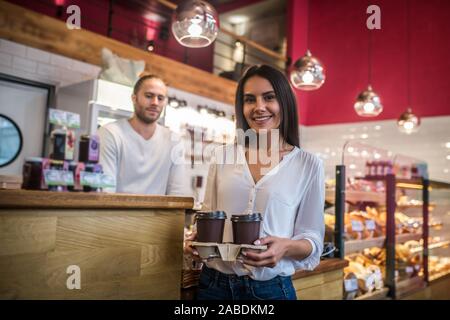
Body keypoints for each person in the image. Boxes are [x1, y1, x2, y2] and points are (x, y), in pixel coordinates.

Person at [185, 65, 325, 300]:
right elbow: (208, 217)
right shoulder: (222, 156)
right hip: (214, 287)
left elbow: (313, 241)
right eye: (250, 100)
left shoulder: (308, 165)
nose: (259, 107)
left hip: (270, 290)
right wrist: (194, 241)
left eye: (269, 97)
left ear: (285, 103)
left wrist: (285, 247)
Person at [98, 74, 190, 196]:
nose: (155, 103)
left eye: (160, 98)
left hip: (159, 215)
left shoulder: (174, 141)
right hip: (117, 214)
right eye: (149, 96)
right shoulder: (111, 133)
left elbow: (177, 193)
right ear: (134, 98)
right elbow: (105, 190)